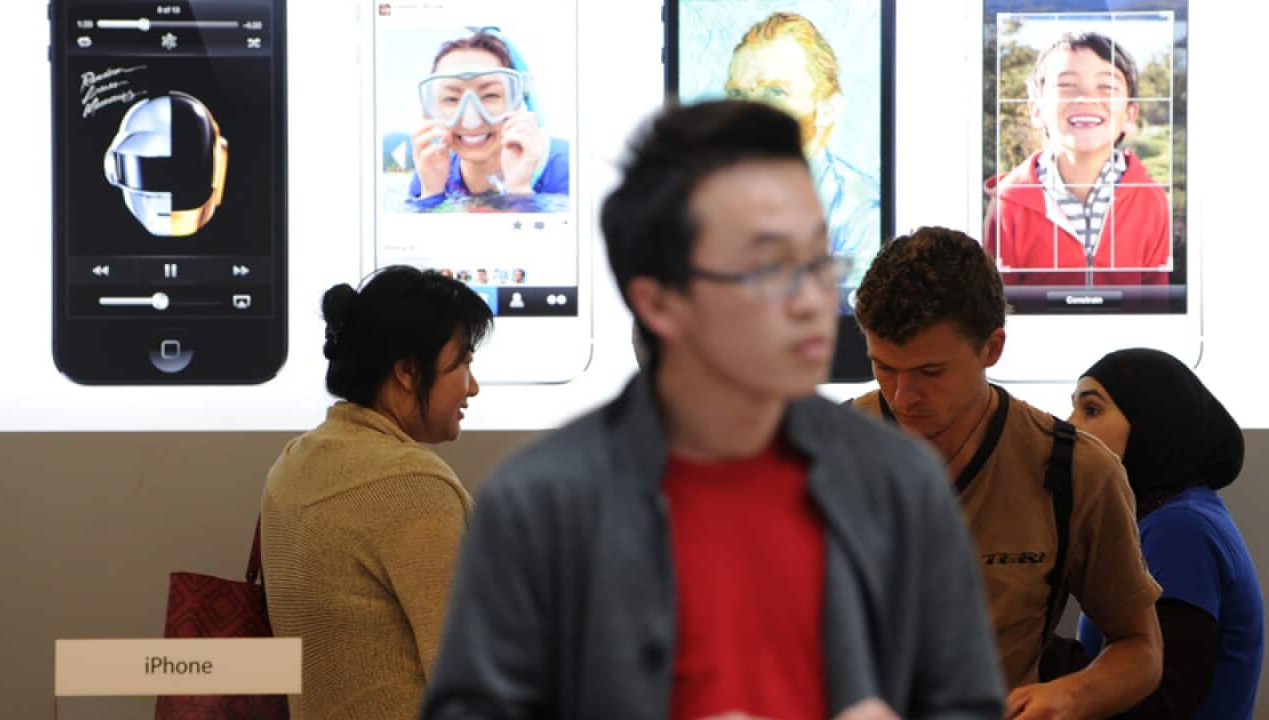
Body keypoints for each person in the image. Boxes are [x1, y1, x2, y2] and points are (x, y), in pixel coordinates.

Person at [421, 100, 1003, 719]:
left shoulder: (897, 484)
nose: (814, 300)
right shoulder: (541, 503)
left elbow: (965, 702)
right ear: (661, 302)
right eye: (772, 268)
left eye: (818, 260)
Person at [849, 227, 1163, 717]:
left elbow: (1141, 649)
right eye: (883, 367)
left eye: (930, 373)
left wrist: (1068, 696)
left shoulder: (1076, 470)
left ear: (992, 348)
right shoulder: (818, 458)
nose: (903, 396)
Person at [261, 266, 492, 720]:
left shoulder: (294, 461)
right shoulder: (412, 488)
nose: (473, 386)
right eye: (462, 363)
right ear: (407, 371)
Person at [1040, 348, 1264, 719]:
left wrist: (1013, 637)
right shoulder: (1172, 515)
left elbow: (1158, 701)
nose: (1070, 425)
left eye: (1091, 410)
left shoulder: (1180, 529)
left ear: (1152, 423)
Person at [984, 31, 1170, 286]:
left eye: (1106, 86)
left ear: (1129, 113)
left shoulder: (1151, 200)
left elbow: (1157, 307)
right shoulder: (1008, 204)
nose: (1086, 98)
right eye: (1067, 85)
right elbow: (995, 310)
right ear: (1037, 111)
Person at [724, 11, 880, 287]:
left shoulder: (861, 214)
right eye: (737, 94)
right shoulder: (714, 203)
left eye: (774, 92)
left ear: (828, 108)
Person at [408, 30, 569, 209]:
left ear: (516, 101)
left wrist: (519, 191)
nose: (471, 120)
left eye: (490, 95)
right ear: (433, 111)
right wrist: (431, 194)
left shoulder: (565, 166)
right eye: (452, 99)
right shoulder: (432, 170)